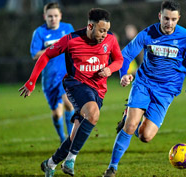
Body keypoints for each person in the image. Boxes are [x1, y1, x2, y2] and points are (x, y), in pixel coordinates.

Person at [19, 8, 123, 177]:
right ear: (90, 26)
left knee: (75, 135)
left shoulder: (110, 39)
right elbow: (45, 56)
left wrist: (110, 70)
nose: (105, 34)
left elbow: (119, 60)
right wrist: (31, 82)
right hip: (76, 84)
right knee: (93, 114)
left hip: (99, 90)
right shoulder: (71, 40)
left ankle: (50, 164)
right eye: (101, 30)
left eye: (106, 30)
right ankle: (71, 159)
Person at [103, 1, 186, 176]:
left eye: (173, 19)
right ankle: (112, 167)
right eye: (166, 18)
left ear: (178, 19)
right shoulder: (148, 33)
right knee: (130, 126)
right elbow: (125, 55)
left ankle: (130, 116)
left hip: (166, 92)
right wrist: (124, 74)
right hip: (144, 84)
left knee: (145, 136)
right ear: (159, 16)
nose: (169, 23)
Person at [30, 2, 75, 143]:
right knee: (56, 114)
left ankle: (70, 140)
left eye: (56, 16)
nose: (53, 19)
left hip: (65, 75)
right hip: (49, 78)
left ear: (60, 16)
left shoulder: (67, 28)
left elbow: (75, 46)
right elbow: (34, 54)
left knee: (69, 103)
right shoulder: (39, 33)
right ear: (45, 17)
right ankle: (62, 137)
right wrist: (54, 48)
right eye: (50, 16)